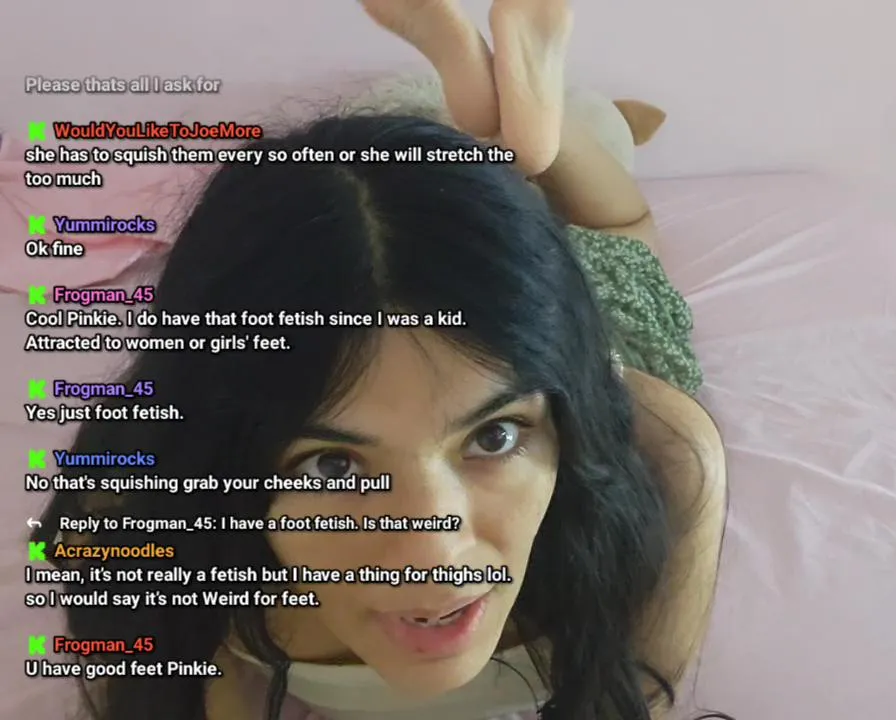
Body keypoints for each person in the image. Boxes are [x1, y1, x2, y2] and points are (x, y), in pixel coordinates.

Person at [31, 1, 729, 719]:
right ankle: (501, 131)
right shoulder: (137, 521)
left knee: (623, 229)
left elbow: (635, 701)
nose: (434, 555)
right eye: (332, 465)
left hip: (585, 344)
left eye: (495, 435)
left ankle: (537, 134)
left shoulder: (671, 458)